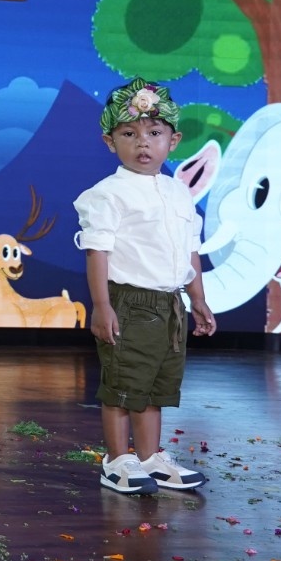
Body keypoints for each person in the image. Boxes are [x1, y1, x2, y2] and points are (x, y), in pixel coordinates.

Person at [74, 78, 214, 496]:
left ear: (173, 141)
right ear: (110, 141)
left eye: (154, 133)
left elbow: (190, 250)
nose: (143, 143)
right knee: (124, 385)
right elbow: (97, 252)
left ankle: (150, 458)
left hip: (170, 304)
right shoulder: (107, 194)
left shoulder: (178, 192)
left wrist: (198, 299)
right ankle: (117, 461)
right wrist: (102, 305)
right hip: (130, 303)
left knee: (155, 386)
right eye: (129, 134)